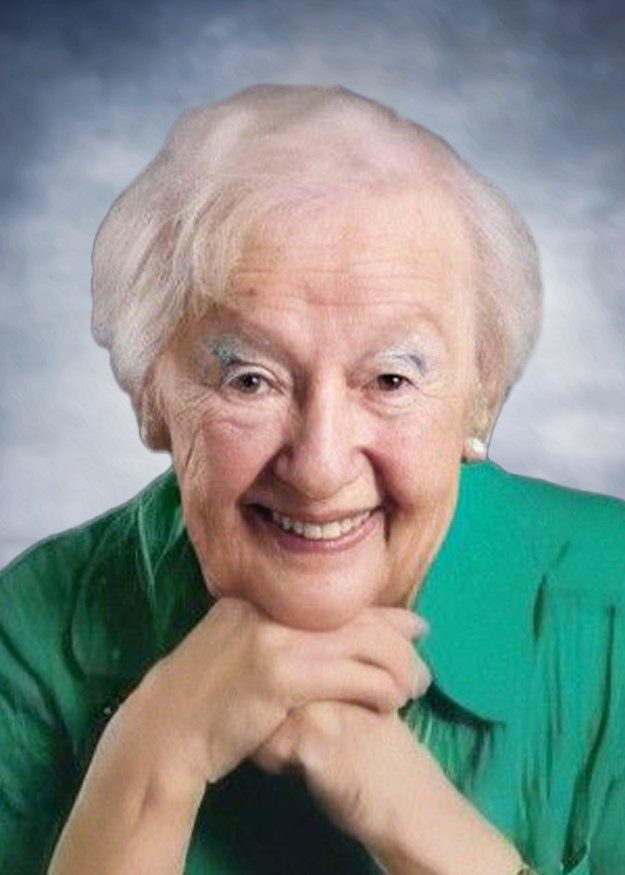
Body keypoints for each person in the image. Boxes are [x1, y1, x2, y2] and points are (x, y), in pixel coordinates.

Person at [0, 84, 623, 875]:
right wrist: (153, 758)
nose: (320, 467)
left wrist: (422, 825)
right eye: (250, 380)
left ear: (481, 397)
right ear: (151, 397)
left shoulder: (612, 611)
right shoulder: (28, 633)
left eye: (391, 379)